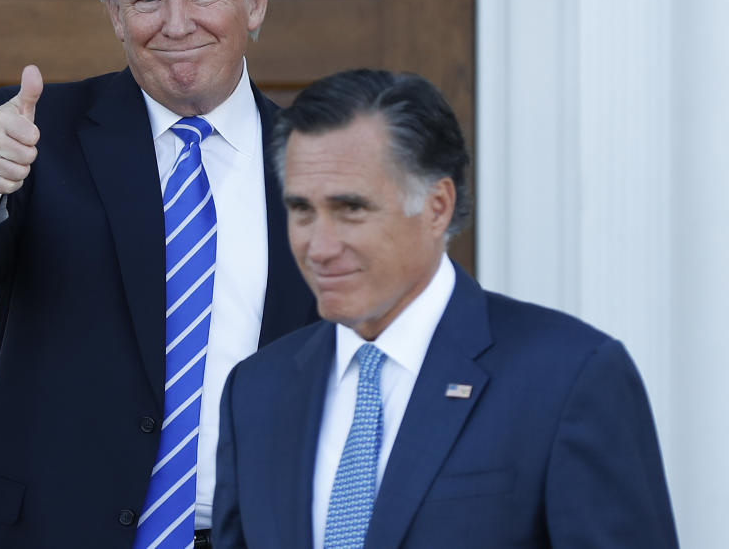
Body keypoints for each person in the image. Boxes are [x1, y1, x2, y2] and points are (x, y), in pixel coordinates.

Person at [0, 0, 314, 549]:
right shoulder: (41, 132)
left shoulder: (314, 159)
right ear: (116, 13)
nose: (176, 24)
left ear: (256, 1)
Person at [212, 69, 679, 548]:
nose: (320, 246)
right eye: (303, 211)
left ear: (436, 206)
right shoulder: (257, 391)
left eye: (351, 209)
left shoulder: (569, 378)